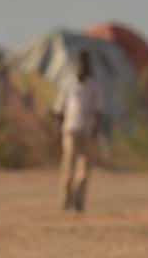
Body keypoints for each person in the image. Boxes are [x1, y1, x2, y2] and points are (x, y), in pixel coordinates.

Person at [53, 49, 103, 212]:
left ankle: (79, 201)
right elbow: (59, 110)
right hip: (70, 129)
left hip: (87, 131)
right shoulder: (68, 84)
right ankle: (65, 199)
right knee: (68, 166)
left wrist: (95, 133)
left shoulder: (95, 86)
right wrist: (57, 131)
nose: (83, 66)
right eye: (80, 63)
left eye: (86, 63)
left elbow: (98, 112)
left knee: (84, 169)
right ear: (76, 65)